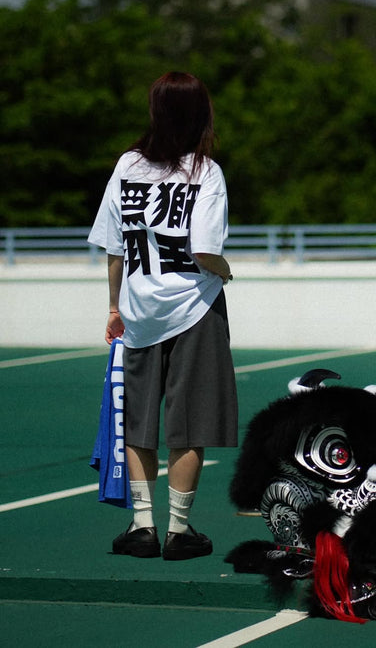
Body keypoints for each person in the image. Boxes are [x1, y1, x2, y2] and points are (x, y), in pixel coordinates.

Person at [88, 71, 238, 560]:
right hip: (194, 308)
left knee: (138, 418)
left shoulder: (127, 165)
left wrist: (115, 307)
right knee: (190, 421)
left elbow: (114, 248)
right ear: (201, 115)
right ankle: (179, 529)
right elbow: (205, 250)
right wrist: (227, 272)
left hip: (139, 310)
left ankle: (142, 525)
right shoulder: (205, 172)